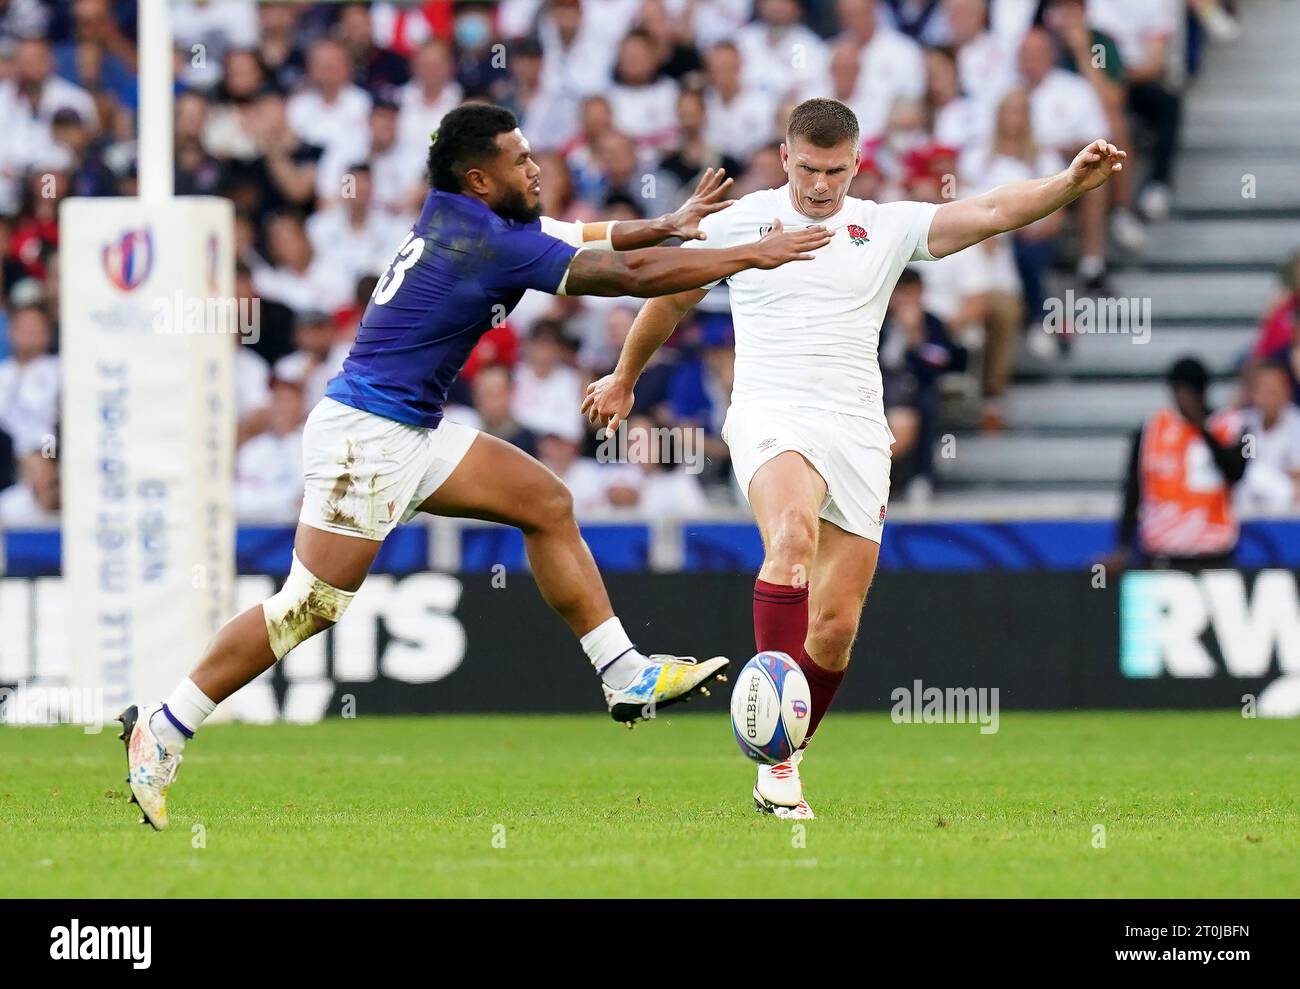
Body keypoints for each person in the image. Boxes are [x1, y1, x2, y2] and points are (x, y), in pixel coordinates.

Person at [117, 102, 833, 831]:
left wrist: (671, 221)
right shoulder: (490, 241)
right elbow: (628, 273)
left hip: (408, 428)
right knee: (307, 608)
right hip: (366, 440)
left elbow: (590, 235)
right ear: (479, 179)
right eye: (520, 159)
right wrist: (748, 253)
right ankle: (165, 726)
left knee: (546, 502)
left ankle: (624, 674)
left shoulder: (472, 219)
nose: (535, 166)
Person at [585, 97, 1126, 819]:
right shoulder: (740, 219)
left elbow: (992, 210)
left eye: (835, 170)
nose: (819, 185)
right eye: (807, 168)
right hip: (771, 414)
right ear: (784, 157)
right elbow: (670, 298)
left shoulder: (886, 225)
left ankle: (788, 748)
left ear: (857, 163)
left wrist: (1067, 182)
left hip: (859, 433)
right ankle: (778, 766)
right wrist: (625, 375)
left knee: (835, 629)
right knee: (791, 540)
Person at [1105, 357, 1247, 572]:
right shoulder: (1151, 430)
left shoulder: (1232, 426)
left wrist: (1201, 428)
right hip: (1161, 552)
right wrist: (1123, 544)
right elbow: (1133, 489)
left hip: (1215, 552)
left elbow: (1236, 471)